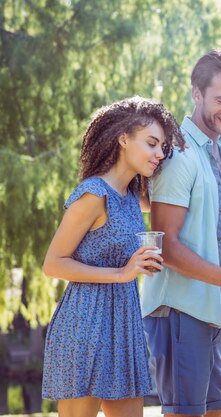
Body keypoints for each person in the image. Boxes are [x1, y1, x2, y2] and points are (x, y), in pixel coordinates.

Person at [141, 49, 221, 417]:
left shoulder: (219, 155)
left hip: (208, 310)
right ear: (196, 94)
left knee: (216, 412)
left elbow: (215, 240)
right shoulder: (179, 156)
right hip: (179, 311)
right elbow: (166, 246)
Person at [41, 97, 185, 417]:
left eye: (162, 145)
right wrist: (122, 273)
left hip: (124, 323)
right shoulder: (94, 194)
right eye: (151, 143)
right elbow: (53, 263)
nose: (159, 153)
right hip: (86, 323)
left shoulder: (131, 193)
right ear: (123, 139)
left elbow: (174, 192)